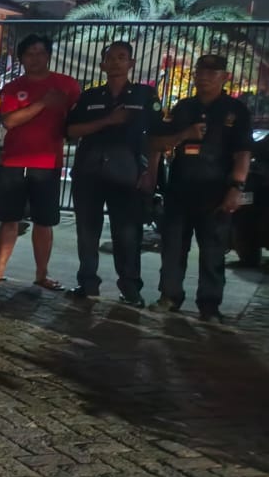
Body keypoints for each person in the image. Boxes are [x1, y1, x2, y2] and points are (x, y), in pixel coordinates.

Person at [149, 54, 253, 321]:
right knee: (173, 248)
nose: (204, 76)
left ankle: (209, 305)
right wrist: (184, 135)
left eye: (212, 72)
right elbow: (159, 143)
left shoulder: (236, 111)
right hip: (180, 189)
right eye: (200, 71)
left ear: (224, 77)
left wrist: (236, 187)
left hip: (216, 193)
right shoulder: (184, 107)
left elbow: (243, 153)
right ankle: (169, 296)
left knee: (213, 251)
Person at [65, 41, 161, 306]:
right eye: (110, 58)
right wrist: (107, 121)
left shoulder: (144, 95)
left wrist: (150, 172)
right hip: (89, 172)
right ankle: (87, 283)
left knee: (127, 234)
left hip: (127, 173)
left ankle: (130, 288)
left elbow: (157, 136)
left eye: (122, 57)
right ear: (102, 64)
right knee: (87, 232)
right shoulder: (90, 96)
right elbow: (71, 131)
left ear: (131, 63)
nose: (116, 62)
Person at [0, 34, 80, 287]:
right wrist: (42, 103)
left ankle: (42, 274)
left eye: (40, 53)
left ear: (48, 55)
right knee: (9, 219)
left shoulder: (67, 85)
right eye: (29, 54)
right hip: (13, 162)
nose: (35, 58)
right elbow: (9, 121)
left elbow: (76, 120)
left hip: (48, 163)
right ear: (21, 58)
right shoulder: (13, 88)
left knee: (44, 222)